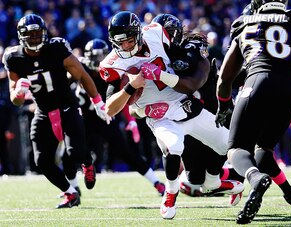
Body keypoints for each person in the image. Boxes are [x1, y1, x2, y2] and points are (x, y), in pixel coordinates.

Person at [155, 12, 291, 215]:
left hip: (211, 113)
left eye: (165, 33)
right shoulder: (152, 57)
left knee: (250, 150)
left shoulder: (192, 48)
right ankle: (236, 179)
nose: (162, 39)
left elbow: (203, 80)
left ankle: (282, 192)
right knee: (197, 179)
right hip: (183, 118)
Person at [99, 11, 244, 219]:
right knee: (174, 145)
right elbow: (110, 109)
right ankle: (170, 193)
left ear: (138, 35)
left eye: (129, 41)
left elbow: (185, 61)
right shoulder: (112, 63)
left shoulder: (157, 33)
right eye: (120, 43)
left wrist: (192, 61)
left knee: (227, 144)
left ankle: (217, 182)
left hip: (184, 104)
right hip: (159, 114)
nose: (125, 47)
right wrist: (131, 87)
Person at [215, 0, 291, 224]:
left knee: (242, 146)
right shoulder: (288, 29)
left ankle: (255, 179)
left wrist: (224, 101)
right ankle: (287, 192)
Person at [3, 14, 111, 208]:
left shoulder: (56, 48)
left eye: (38, 33)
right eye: (31, 34)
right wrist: (19, 91)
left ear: (44, 33)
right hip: (43, 111)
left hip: (67, 106)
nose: (35, 38)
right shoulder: (14, 57)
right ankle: (70, 193)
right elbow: (15, 99)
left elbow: (82, 75)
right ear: (21, 36)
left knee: (74, 152)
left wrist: (97, 102)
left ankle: (87, 161)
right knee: (42, 161)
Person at [73, 38, 166, 195]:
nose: (98, 61)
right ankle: (72, 189)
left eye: (101, 57)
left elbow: (121, 98)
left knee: (126, 153)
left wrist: (131, 121)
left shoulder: (111, 71)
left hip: (106, 119)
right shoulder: (79, 67)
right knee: (71, 151)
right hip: (85, 119)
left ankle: (157, 183)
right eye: (94, 57)